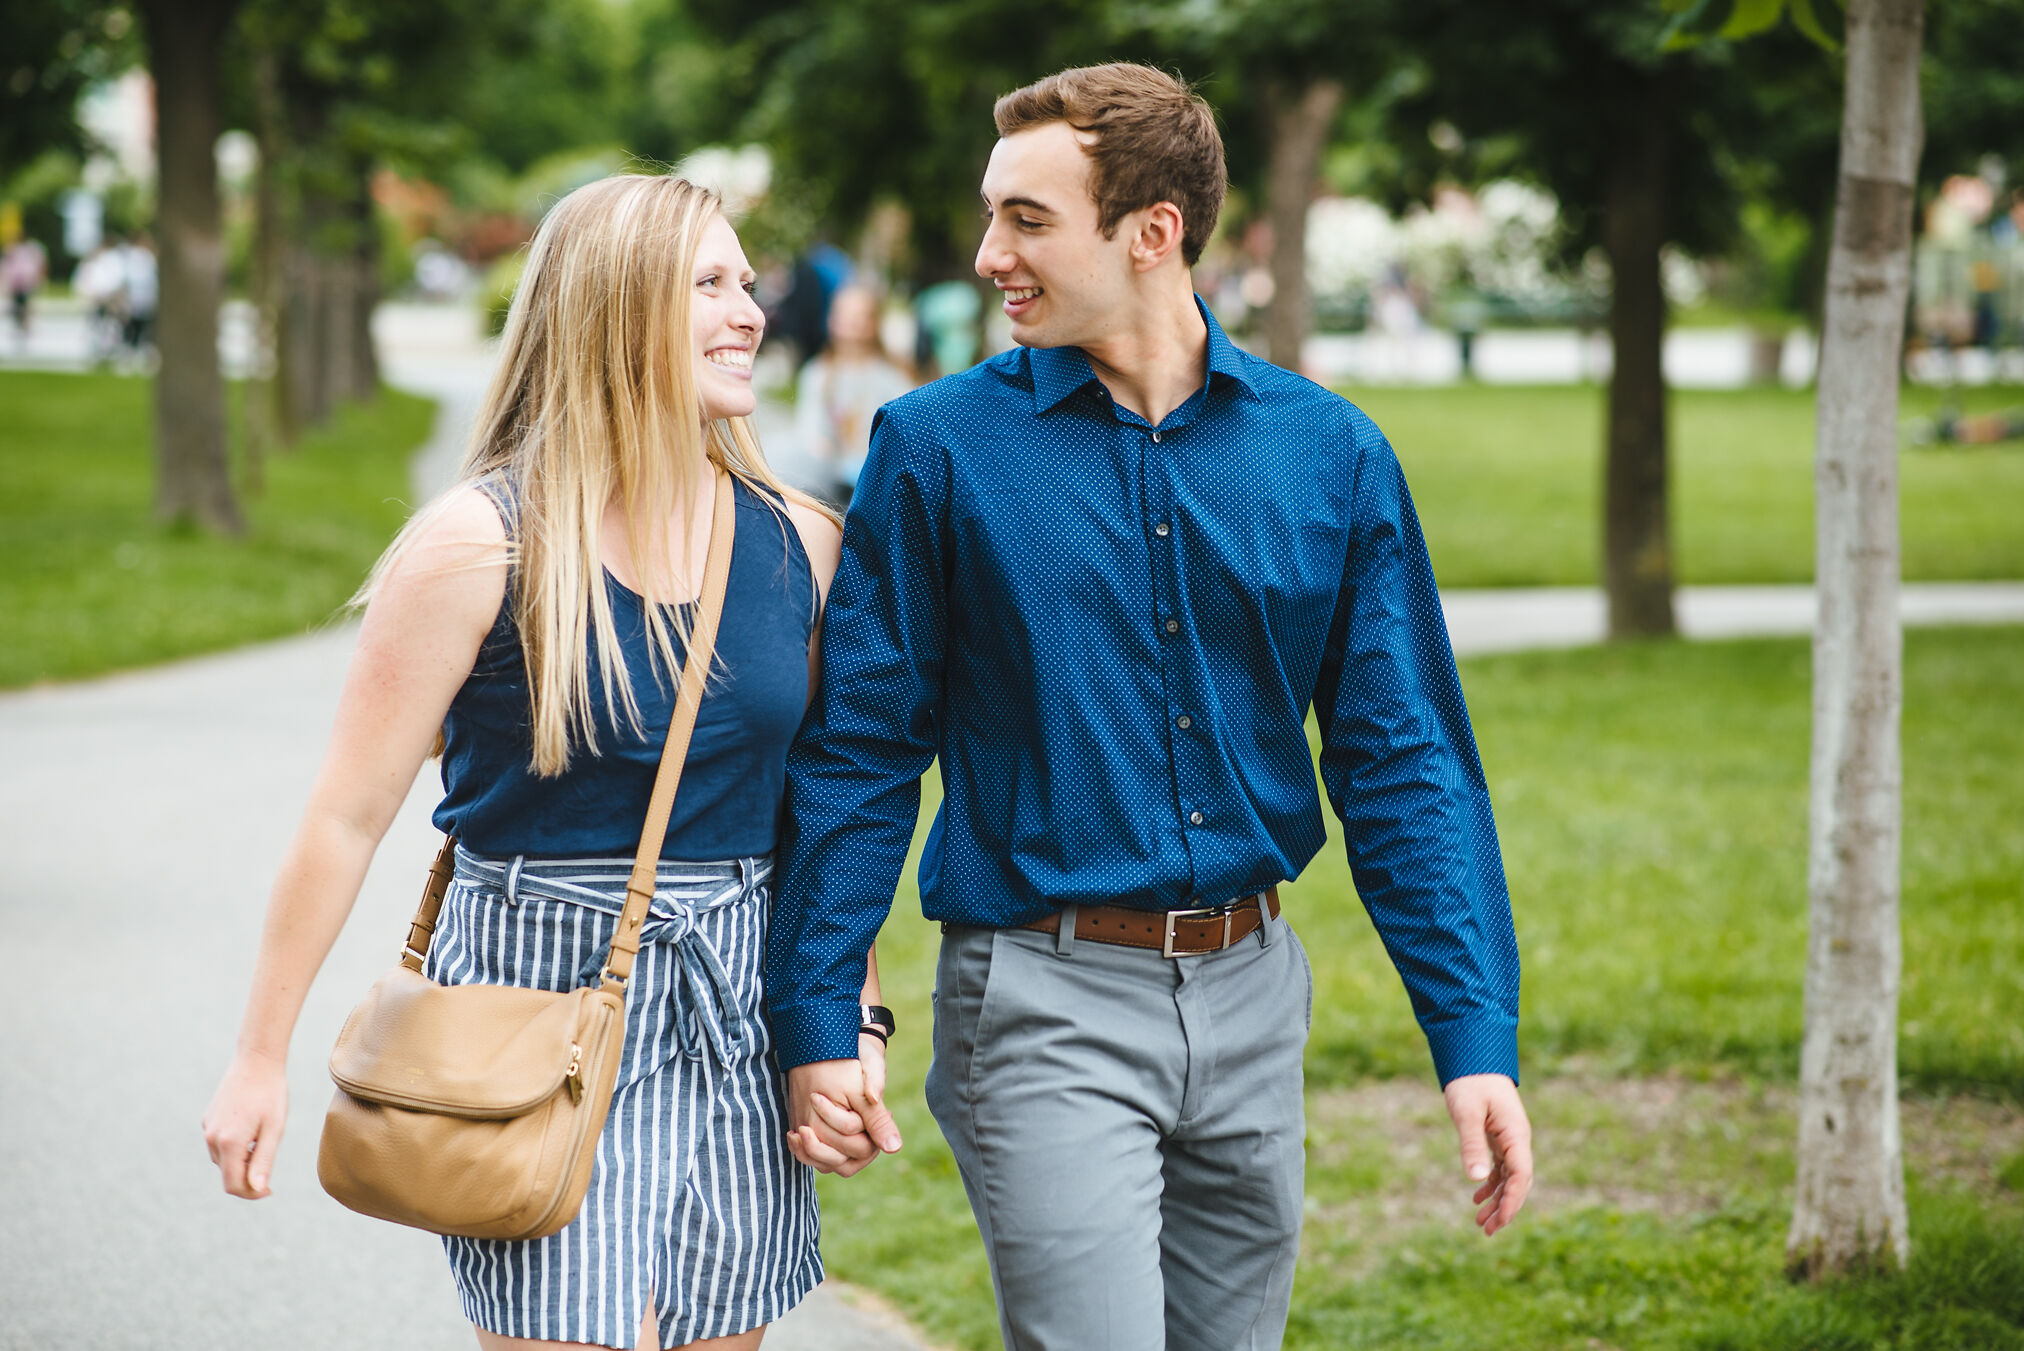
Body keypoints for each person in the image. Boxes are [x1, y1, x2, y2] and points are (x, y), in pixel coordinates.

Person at [765, 63, 1533, 1350]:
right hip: (1038, 999)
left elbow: (1405, 765)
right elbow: (860, 750)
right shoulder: (939, 447)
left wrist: (1473, 1038)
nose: (987, 251)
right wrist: (821, 1005)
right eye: (990, 213)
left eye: (1025, 219)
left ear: (1151, 232)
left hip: (1253, 994)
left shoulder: (1329, 453)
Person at [201, 173, 895, 1351]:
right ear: (615, 310)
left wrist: (852, 1022)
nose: (748, 312)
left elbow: (821, 820)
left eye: (745, 283)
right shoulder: (480, 545)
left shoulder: (802, 544)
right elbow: (345, 816)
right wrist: (258, 1059)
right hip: (531, 1001)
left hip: (730, 997)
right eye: (708, 285)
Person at [794, 285, 914, 507]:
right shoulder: (818, 374)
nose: (849, 324)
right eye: (843, 316)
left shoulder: (892, 376)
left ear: (873, 324)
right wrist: (821, 450)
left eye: (858, 317)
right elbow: (810, 427)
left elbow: (906, 426)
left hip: (879, 481)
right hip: (831, 482)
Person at [3, 232, 48, 347]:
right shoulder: (13, 249)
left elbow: (40, 265)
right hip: (16, 283)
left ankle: (25, 327)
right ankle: (20, 326)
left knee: (25, 305)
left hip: (27, 282)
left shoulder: (32, 249)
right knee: (18, 305)